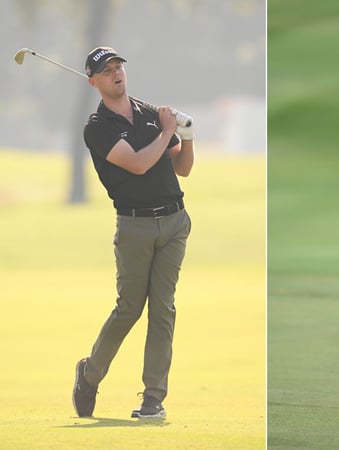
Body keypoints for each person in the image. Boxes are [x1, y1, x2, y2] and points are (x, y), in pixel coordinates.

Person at [72, 47, 194, 419]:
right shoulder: (97, 128)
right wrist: (168, 129)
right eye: (106, 71)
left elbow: (184, 168)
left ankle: (153, 398)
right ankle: (90, 374)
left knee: (163, 310)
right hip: (134, 225)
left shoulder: (148, 114)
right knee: (129, 310)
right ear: (93, 82)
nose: (116, 73)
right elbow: (139, 164)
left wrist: (186, 135)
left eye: (118, 67)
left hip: (174, 222)